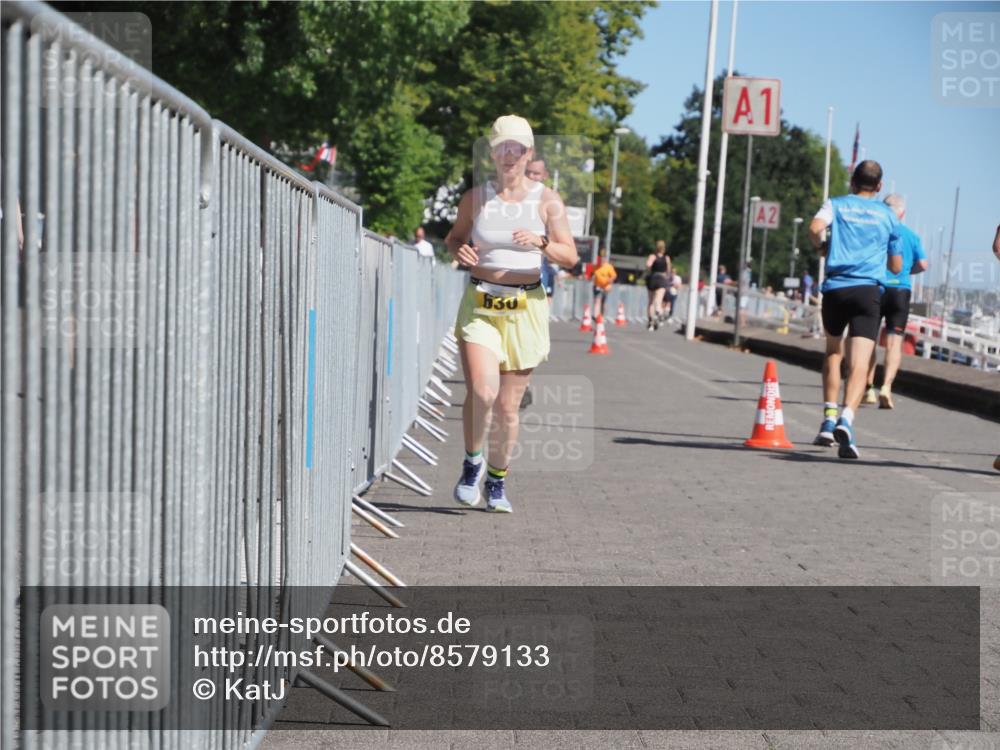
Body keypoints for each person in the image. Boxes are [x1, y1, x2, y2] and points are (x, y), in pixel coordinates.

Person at [445, 114, 577, 512]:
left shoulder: (547, 201)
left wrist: (540, 242)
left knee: (507, 406)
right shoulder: (476, 198)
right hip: (481, 304)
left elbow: (569, 255)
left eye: (517, 149)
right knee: (482, 391)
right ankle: (472, 464)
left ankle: (497, 481)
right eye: (503, 147)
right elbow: (454, 238)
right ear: (492, 152)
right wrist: (460, 250)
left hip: (525, 307)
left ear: (529, 153)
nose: (510, 155)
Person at [808, 160, 903, 459]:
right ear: (878, 186)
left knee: (834, 352)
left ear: (852, 181)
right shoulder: (888, 215)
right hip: (867, 293)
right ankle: (847, 417)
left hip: (836, 289)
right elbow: (897, 265)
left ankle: (828, 419)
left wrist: (822, 247)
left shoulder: (836, 204)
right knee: (861, 362)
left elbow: (814, 227)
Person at [863, 194, 928, 409]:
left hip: (877, 287)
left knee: (870, 340)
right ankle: (886, 387)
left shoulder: (876, 232)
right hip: (900, 290)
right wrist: (909, 270)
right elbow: (923, 264)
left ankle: (868, 388)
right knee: (894, 343)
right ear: (903, 212)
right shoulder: (910, 235)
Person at [645, 240, 671, 330]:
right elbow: (668, 270)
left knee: (651, 301)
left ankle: (651, 322)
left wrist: (650, 267)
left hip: (652, 278)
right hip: (661, 279)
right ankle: (659, 313)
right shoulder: (666, 258)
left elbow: (648, 265)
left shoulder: (653, 256)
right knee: (658, 301)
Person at [592, 250, 616, 319]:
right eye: (601, 258)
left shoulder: (609, 267)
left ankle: (601, 316)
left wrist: (609, 281)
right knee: (597, 300)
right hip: (597, 286)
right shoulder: (596, 266)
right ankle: (596, 315)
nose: (602, 260)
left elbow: (614, 276)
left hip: (605, 287)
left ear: (605, 259)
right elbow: (592, 274)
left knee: (603, 302)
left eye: (603, 258)